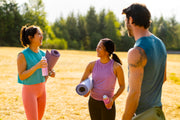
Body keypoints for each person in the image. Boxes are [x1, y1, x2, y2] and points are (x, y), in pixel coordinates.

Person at [121, 3, 167, 120]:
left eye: (125, 20)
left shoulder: (136, 52)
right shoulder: (160, 44)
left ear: (130, 20)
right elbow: (164, 78)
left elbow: (134, 94)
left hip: (143, 116)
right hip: (157, 113)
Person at [80, 38, 125, 120]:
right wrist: (85, 90)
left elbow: (122, 86)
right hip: (93, 102)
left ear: (107, 51)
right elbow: (83, 81)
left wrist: (113, 99)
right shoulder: (91, 65)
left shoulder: (116, 67)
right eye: (97, 47)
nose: (97, 49)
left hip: (108, 103)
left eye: (100, 47)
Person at [17, 25, 55, 120]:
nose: (41, 36)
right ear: (30, 38)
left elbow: (45, 75)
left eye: (41, 34)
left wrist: (50, 73)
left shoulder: (43, 54)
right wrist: (36, 66)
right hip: (29, 92)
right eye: (38, 34)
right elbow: (21, 76)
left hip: (42, 91)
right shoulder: (22, 55)